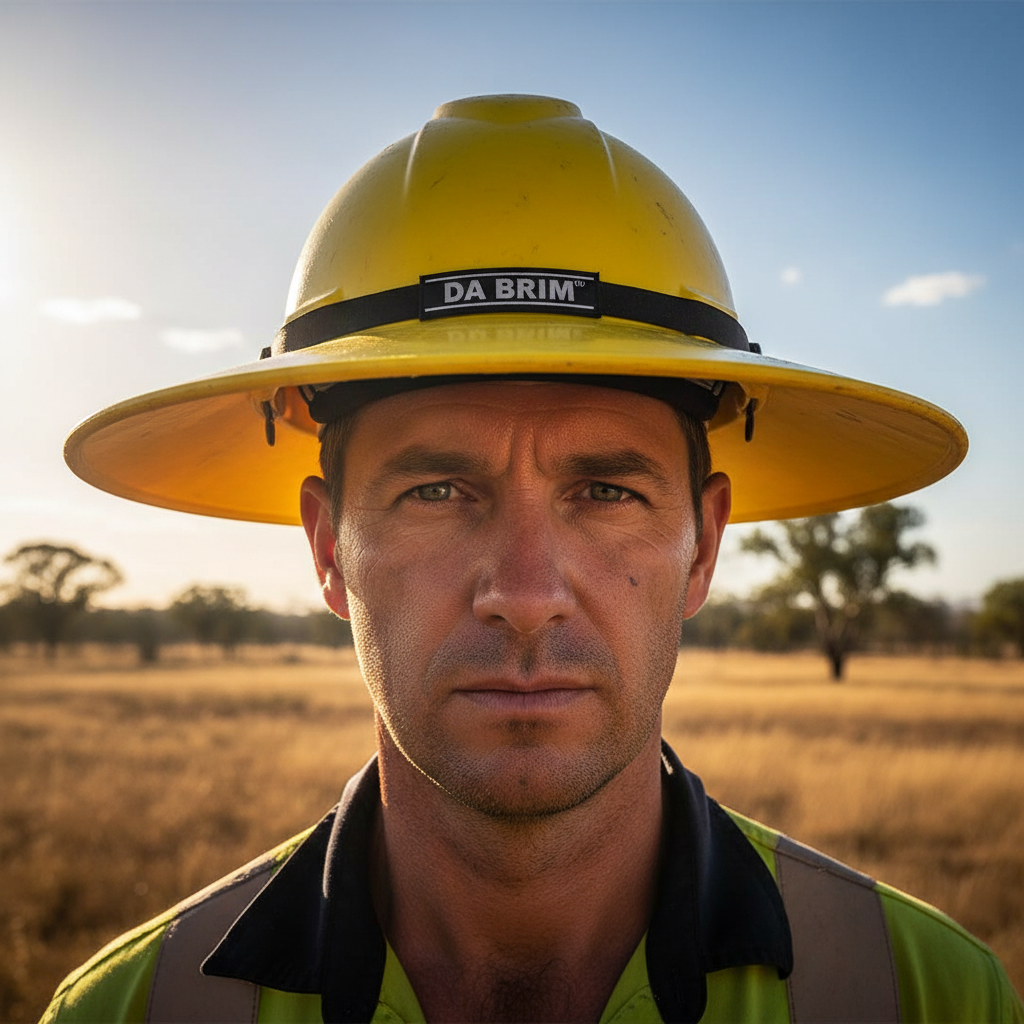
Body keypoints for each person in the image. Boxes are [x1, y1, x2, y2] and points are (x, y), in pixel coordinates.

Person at [46, 94, 1021, 1023]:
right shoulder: (135, 1007)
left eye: (605, 492)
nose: (522, 593)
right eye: (436, 492)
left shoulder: (930, 994)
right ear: (327, 549)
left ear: (703, 547)